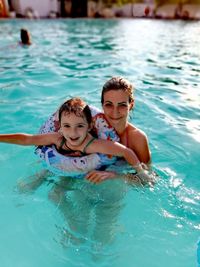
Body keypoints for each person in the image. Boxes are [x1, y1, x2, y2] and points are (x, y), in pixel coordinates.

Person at [0, 97, 149, 180]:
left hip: (82, 172)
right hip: (60, 165)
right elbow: (27, 139)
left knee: (57, 194)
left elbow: (126, 152)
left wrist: (141, 173)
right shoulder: (57, 138)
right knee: (50, 193)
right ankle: (41, 178)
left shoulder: (93, 145)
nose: (73, 133)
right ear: (60, 127)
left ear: (89, 126)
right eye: (67, 126)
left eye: (79, 126)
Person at [86, 76, 151, 183]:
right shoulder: (90, 128)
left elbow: (149, 181)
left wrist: (115, 176)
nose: (115, 112)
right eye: (109, 105)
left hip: (117, 186)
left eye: (122, 105)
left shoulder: (137, 138)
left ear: (131, 105)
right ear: (102, 105)